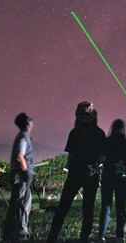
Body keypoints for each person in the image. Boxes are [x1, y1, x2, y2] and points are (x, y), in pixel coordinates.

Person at [47, 102, 106, 243]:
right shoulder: (99, 133)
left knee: (63, 207)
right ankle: (83, 239)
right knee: (88, 209)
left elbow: (71, 155)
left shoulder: (75, 133)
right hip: (92, 173)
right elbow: (102, 157)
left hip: (75, 173)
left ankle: (52, 238)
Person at [3, 112, 34, 241]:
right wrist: (26, 172)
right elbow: (20, 156)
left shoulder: (24, 136)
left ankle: (18, 230)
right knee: (19, 204)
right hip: (20, 175)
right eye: (30, 121)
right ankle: (15, 231)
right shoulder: (23, 137)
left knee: (23, 203)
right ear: (27, 124)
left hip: (19, 174)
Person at [98, 119, 126, 241]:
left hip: (108, 177)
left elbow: (101, 158)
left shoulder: (107, 141)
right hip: (122, 178)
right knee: (121, 207)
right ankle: (120, 235)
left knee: (106, 206)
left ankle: (102, 235)